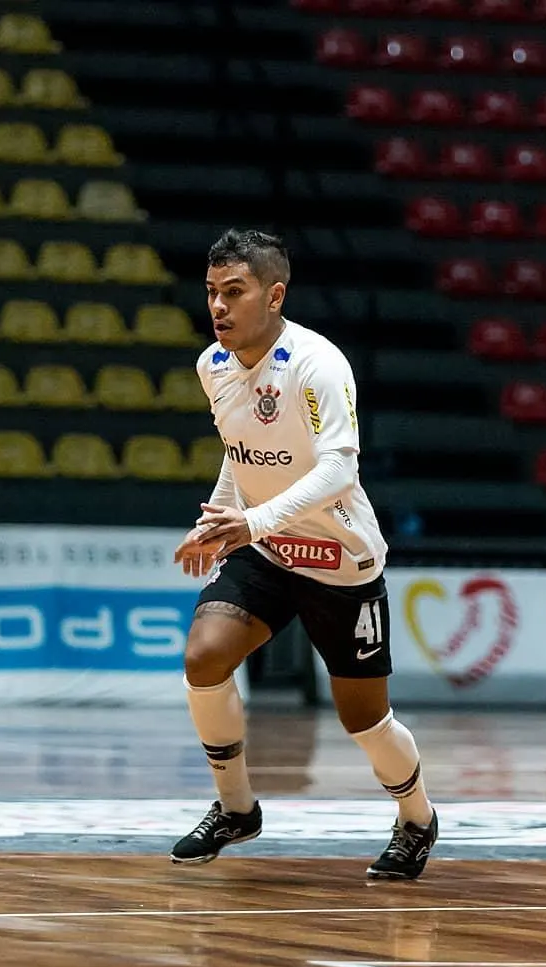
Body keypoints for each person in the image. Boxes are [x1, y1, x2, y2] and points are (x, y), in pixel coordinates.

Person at [170, 229, 437, 880]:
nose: (219, 307)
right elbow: (240, 458)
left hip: (340, 561)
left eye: (234, 292)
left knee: (364, 720)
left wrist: (254, 519)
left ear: (275, 294)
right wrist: (216, 520)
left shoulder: (317, 364)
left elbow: (339, 472)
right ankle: (237, 808)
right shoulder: (214, 367)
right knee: (204, 655)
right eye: (211, 293)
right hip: (266, 550)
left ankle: (417, 818)